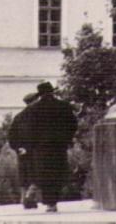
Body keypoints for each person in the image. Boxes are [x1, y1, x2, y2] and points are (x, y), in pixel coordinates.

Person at [26, 81, 78, 213]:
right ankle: (53, 201)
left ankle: (49, 202)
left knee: (44, 173)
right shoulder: (63, 106)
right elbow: (73, 124)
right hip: (59, 146)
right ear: (52, 92)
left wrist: (33, 144)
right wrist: (67, 138)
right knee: (57, 173)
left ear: (40, 94)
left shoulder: (33, 108)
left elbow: (29, 129)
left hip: (41, 147)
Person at [7, 91, 39, 209]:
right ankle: (29, 197)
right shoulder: (37, 117)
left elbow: (11, 136)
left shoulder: (18, 117)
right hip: (34, 151)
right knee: (36, 174)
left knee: (24, 175)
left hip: (23, 151)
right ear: (33, 102)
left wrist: (18, 148)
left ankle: (26, 199)